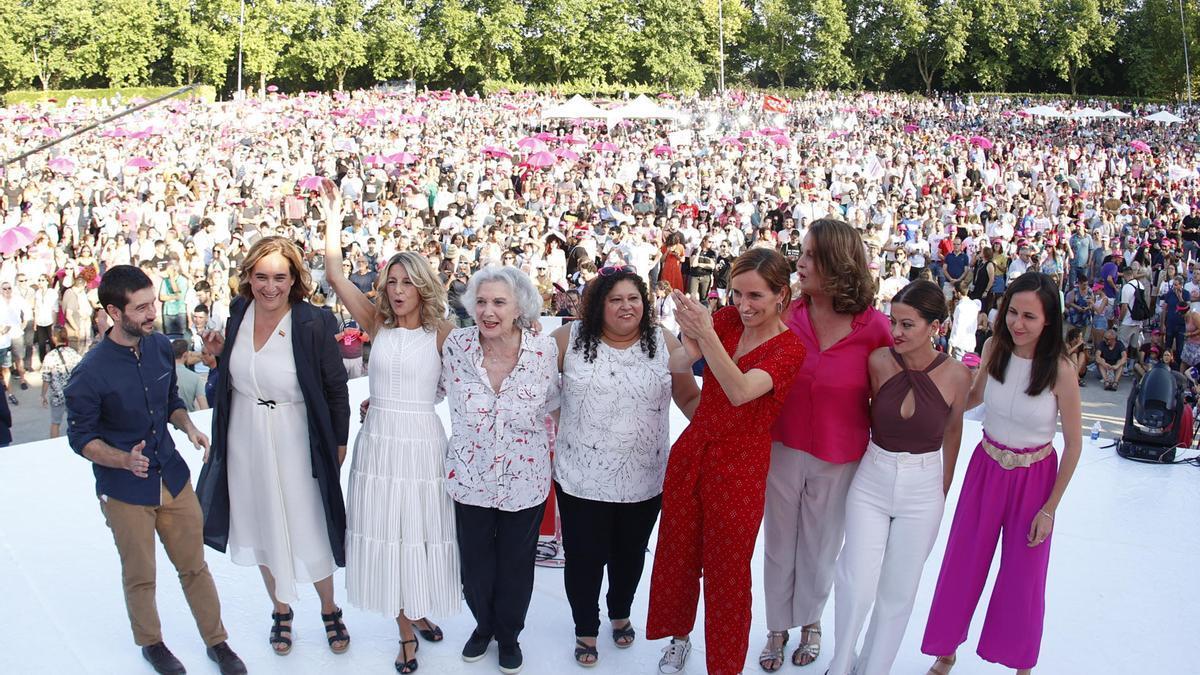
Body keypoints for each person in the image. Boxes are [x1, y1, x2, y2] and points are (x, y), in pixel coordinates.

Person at [65, 265, 246, 675]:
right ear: (114, 311)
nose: (152, 314)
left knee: (194, 567)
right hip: (125, 490)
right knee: (141, 574)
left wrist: (189, 427)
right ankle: (151, 643)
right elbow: (81, 440)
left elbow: (169, 402)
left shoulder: (161, 346)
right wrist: (123, 459)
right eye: (142, 307)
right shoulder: (89, 374)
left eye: (154, 304)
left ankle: (217, 643)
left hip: (173, 478)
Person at [647, 248, 806, 675]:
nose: (743, 305)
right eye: (736, 294)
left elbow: (738, 390)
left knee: (729, 573)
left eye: (755, 295)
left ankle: (724, 665)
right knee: (678, 555)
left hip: (741, 465)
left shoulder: (790, 349)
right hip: (694, 450)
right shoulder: (726, 320)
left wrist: (707, 336)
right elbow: (681, 362)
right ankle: (679, 638)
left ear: (781, 295)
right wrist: (684, 333)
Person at [196, 236, 352, 657]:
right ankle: (280, 611)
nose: (270, 286)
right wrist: (217, 358)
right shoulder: (237, 314)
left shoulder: (312, 322)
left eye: (279, 277)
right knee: (260, 521)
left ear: (294, 279)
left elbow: (337, 388)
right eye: (261, 276)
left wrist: (339, 441)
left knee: (308, 521)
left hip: (295, 434)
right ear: (248, 277)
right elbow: (234, 377)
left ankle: (329, 608)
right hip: (244, 435)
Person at [922, 272, 1083, 675]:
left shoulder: (1061, 370)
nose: (1018, 323)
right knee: (963, 560)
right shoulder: (994, 347)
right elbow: (975, 397)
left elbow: (1075, 444)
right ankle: (946, 651)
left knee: (1022, 578)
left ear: (1049, 320)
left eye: (1030, 316)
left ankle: (1020, 664)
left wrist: (1050, 509)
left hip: (1035, 478)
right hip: (986, 468)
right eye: (1012, 311)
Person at [325, 198, 460, 674]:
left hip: (422, 442)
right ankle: (405, 631)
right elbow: (336, 275)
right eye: (392, 282)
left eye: (408, 282)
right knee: (387, 531)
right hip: (379, 443)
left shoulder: (444, 331)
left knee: (418, 533)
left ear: (423, 286)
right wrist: (335, 215)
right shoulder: (376, 323)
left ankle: (418, 606)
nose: (398, 290)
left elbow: (466, 382)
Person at [550, 265, 700, 666]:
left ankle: (620, 613)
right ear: (599, 304)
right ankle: (585, 627)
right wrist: (568, 424)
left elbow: (687, 398)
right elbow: (539, 390)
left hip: (644, 478)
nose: (626, 306)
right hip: (581, 477)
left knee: (629, 555)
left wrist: (726, 426)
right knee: (584, 557)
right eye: (615, 299)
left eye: (633, 298)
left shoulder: (663, 341)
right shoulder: (568, 338)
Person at [760, 219, 892, 671]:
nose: (800, 262)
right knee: (780, 542)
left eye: (812, 255)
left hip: (840, 455)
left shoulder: (874, 326)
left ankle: (811, 622)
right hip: (781, 445)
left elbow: (891, 394)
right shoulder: (785, 316)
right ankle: (777, 626)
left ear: (839, 262)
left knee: (820, 545)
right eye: (802, 251)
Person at [827, 280, 970, 675]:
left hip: (924, 486)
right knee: (855, 582)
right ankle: (840, 666)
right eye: (894, 322)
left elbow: (954, 431)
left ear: (935, 327)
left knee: (898, 592)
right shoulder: (878, 362)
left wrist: (943, 484)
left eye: (908, 324)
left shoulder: (957, 375)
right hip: (872, 475)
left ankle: (874, 669)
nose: (898, 332)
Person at [441, 266, 560, 675]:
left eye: (498, 302)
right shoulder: (455, 344)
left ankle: (508, 634)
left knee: (515, 563)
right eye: (481, 301)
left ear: (518, 307)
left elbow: (554, 402)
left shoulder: (543, 350)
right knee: (474, 563)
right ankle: (483, 625)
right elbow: (433, 388)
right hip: (469, 477)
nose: (488, 311)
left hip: (525, 479)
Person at [41, 325, 81, 438]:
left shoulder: (50, 356)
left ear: (54, 338)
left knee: (55, 422)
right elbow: (82, 372)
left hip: (57, 396)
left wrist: (43, 395)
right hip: (73, 393)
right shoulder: (73, 353)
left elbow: (46, 378)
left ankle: (54, 447)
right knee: (76, 422)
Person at [171, 339, 208, 411]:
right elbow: (204, 407)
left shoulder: (163, 376)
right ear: (185, 355)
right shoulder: (195, 377)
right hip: (188, 418)